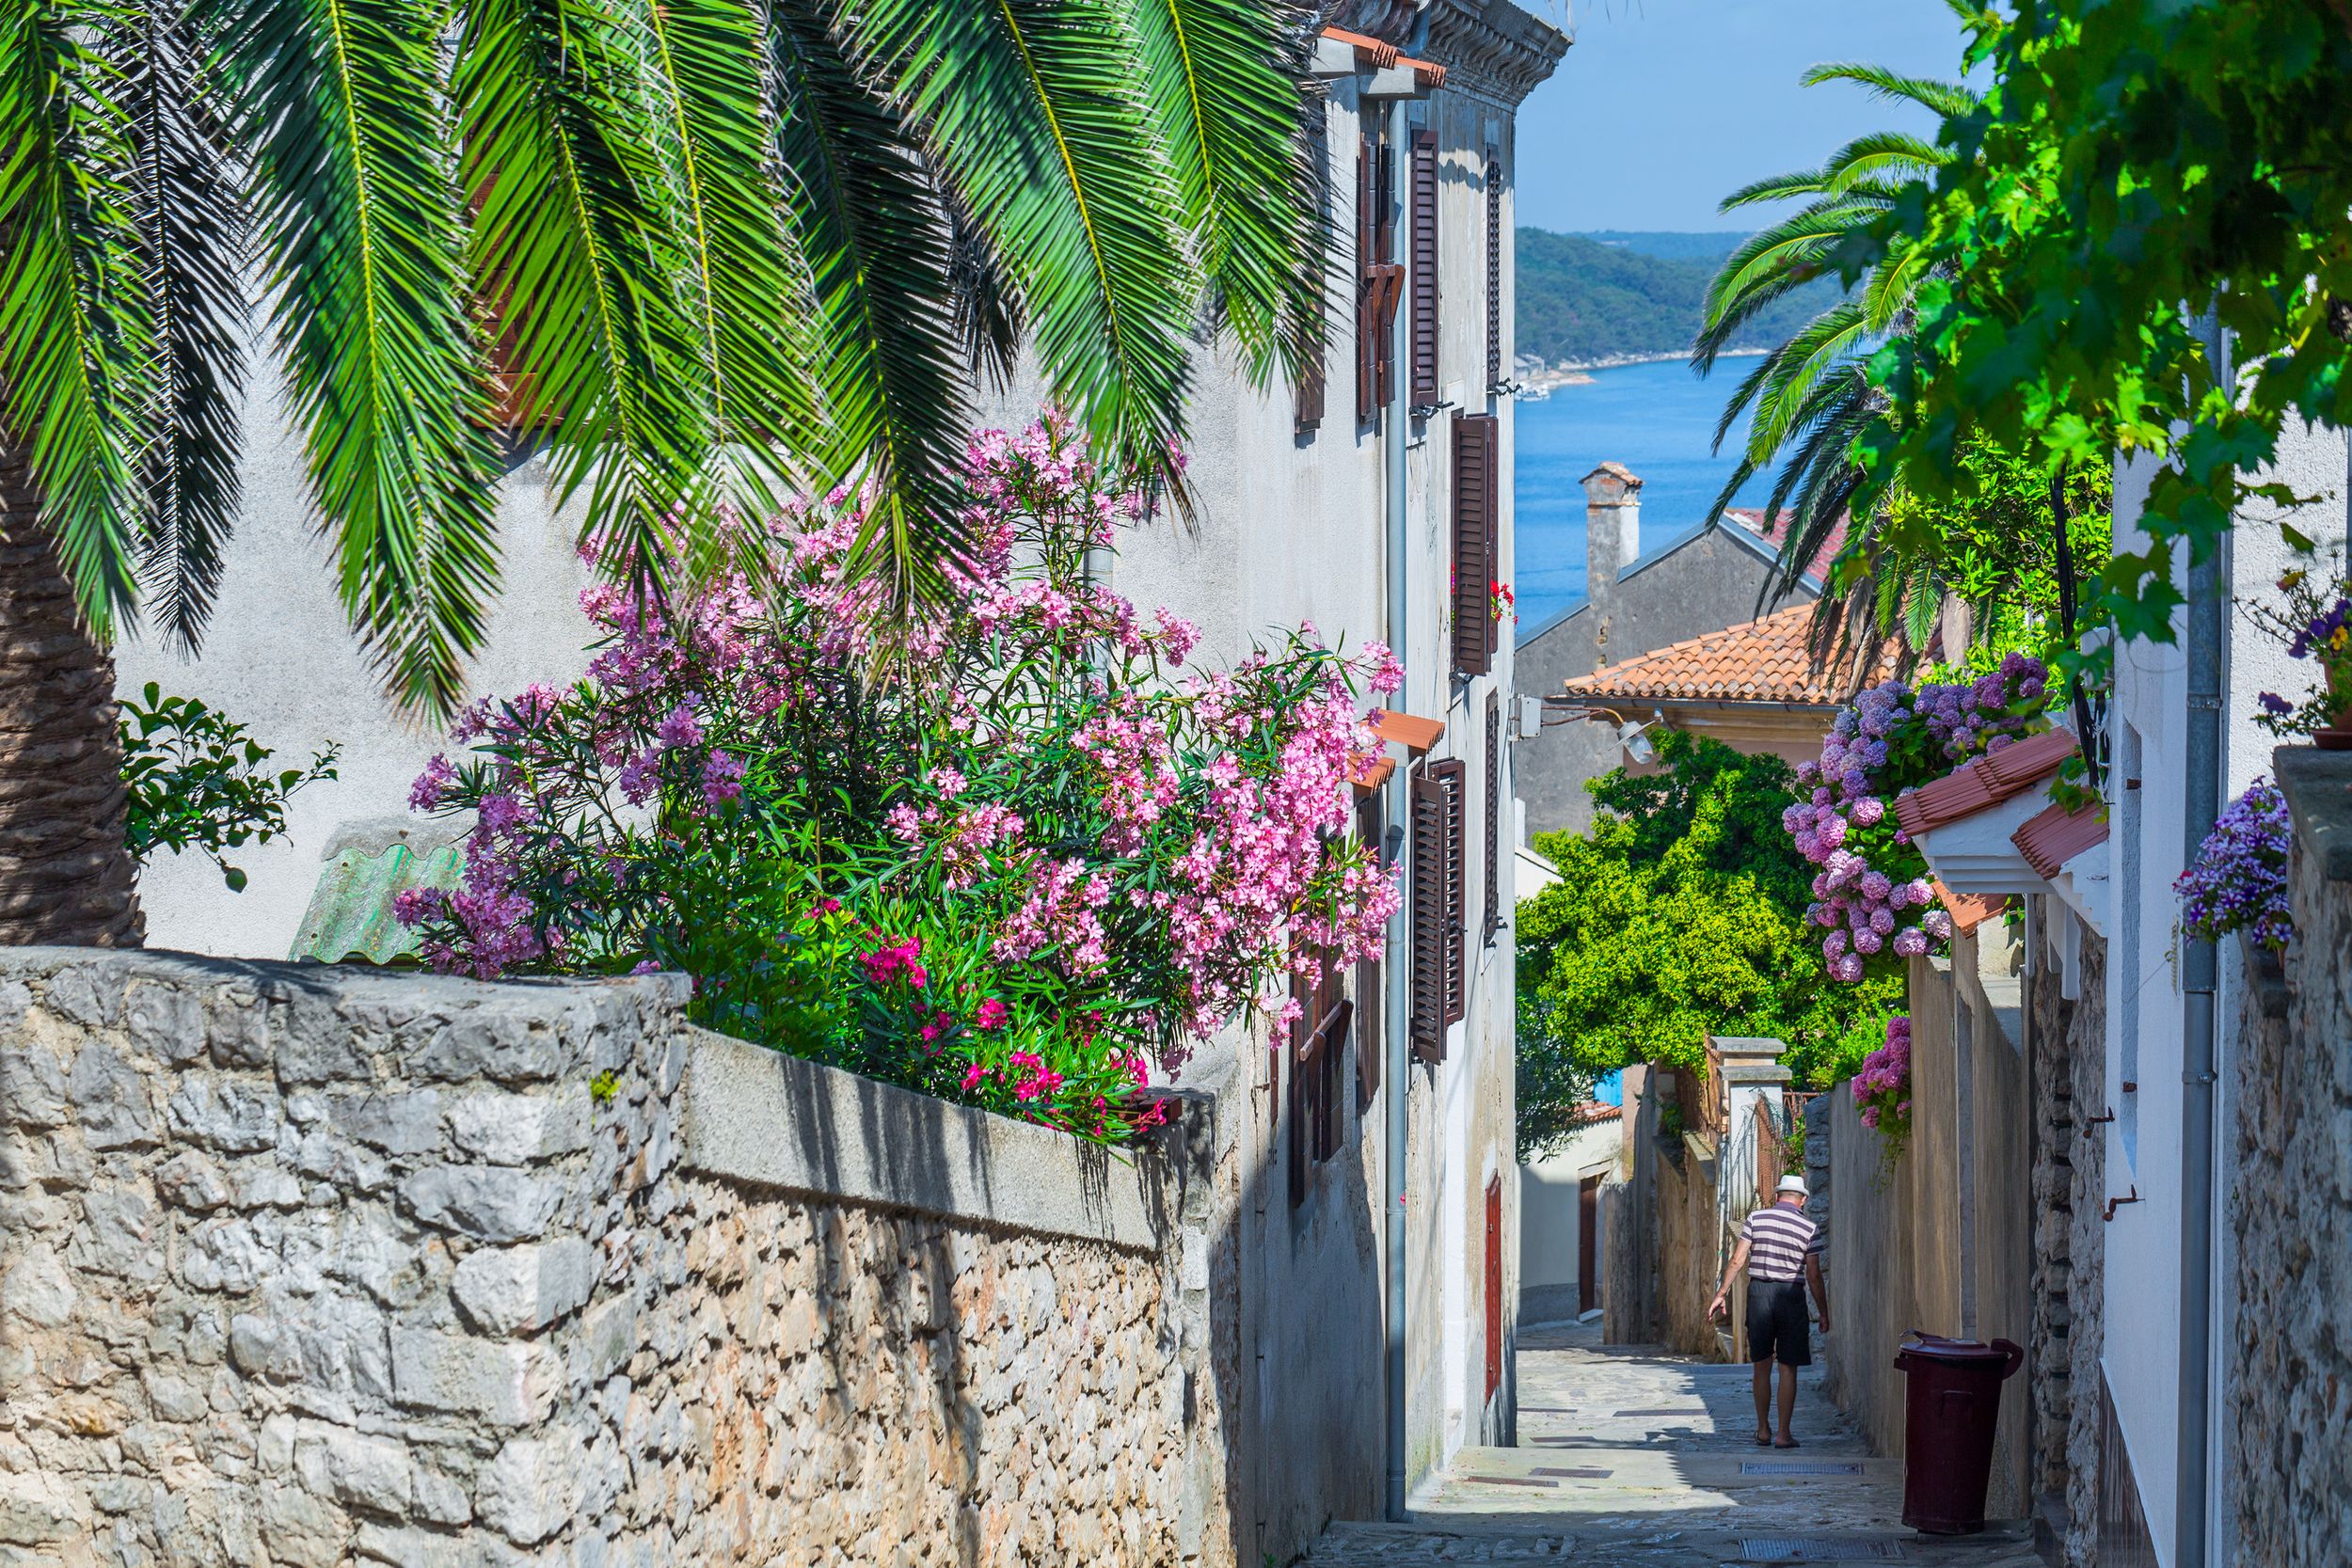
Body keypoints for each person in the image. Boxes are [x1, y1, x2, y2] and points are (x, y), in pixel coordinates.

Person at [1708, 1173, 1830, 1448]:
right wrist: (1823, 1312)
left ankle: (1763, 1430)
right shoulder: (1809, 1229)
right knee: (1788, 1368)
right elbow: (1813, 1275)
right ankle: (1784, 1434)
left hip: (1759, 1294)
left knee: (1761, 1366)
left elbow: (1737, 1259)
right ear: (1803, 1200)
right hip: (1791, 1296)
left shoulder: (1755, 1219)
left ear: (1776, 1197)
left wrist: (1721, 1293)